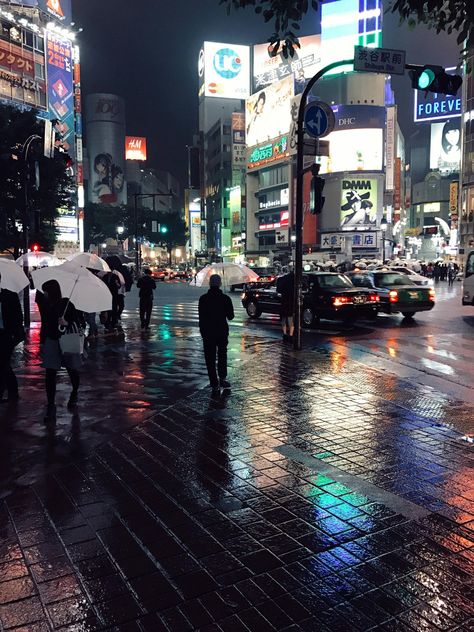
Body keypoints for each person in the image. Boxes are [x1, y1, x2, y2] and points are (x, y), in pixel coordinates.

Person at [36, 280, 84, 422]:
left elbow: (77, 320)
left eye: (46, 291)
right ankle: (51, 405)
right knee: (50, 372)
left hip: (66, 339)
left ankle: (74, 392)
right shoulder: (45, 304)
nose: (44, 293)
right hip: (51, 340)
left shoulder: (66, 304)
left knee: (72, 370)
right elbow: (45, 324)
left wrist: (66, 322)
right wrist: (42, 341)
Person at [198, 274, 234, 395]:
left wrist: (202, 331)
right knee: (222, 354)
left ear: (209, 284)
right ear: (219, 284)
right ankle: (222, 379)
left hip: (208, 332)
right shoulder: (225, 299)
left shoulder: (203, 299)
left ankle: (214, 383)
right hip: (222, 331)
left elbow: (201, 317)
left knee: (210, 358)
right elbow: (231, 316)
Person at [0, 279, 24, 403]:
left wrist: (15, 333)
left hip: (5, 334)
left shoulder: (9, 295)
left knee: (3, 363)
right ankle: (13, 390)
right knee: (4, 365)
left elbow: (18, 316)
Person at [276, 270, 295, 342]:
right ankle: (290, 334)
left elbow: (278, 290)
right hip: (291, 301)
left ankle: (284, 334)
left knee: (283, 318)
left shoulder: (283, 280)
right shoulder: (294, 282)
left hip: (284, 301)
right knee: (290, 319)